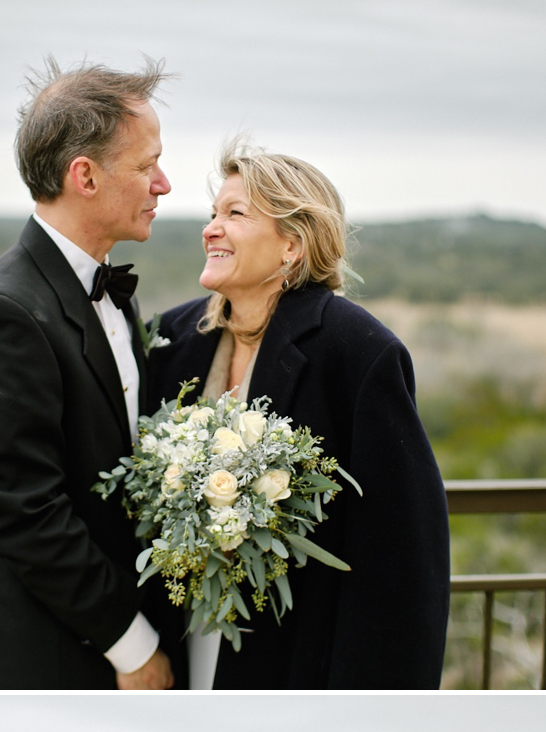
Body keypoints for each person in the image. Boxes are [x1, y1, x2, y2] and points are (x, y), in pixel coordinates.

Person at [147, 140, 449, 689]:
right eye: (214, 213)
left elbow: (401, 560)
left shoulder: (357, 353)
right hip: (178, 638)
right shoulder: (174, 339)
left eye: (235, 214)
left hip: (293, 654)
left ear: (292, 243)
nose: (211, 228)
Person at [0, 60, 175, 691]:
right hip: (49, 660)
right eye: (146, 165)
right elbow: (26, 515)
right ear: (86, 176)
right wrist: (133, 647)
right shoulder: (2, 314)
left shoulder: (113, 292)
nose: (164, 183)